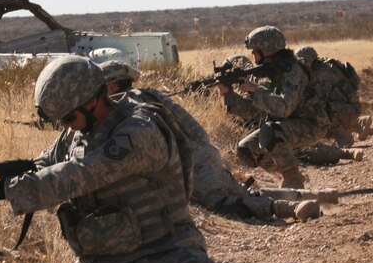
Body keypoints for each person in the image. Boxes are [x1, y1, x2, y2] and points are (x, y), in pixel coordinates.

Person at [0, 55, 275, 263]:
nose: (65, 126)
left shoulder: (138, 130)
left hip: (167, 243)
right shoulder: (78, 130)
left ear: (93, 101)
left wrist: (4, 190)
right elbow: (48, 162)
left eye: (68, 119)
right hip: (110, 255)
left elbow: (84, 172)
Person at [99, 60, 323, 222]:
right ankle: (312, 196)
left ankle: (289, 208)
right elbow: (195, 128)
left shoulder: (121, 111)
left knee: (226, 204)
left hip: (190, 167)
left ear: (110, 87)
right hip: (206, 154)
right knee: (242, 193)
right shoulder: (153, 95)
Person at [220, 26, 326, 189]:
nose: (252, 55)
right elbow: (252, 111)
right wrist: (229, 95)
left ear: (267, 50)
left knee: (271, 131)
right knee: (245, 150)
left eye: (255, 51)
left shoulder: (293, 70)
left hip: (311, 124)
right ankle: (292, 172)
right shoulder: (267, 72)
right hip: (286, 125)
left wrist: (255, 89)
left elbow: (284, 108)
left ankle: (293, 179)